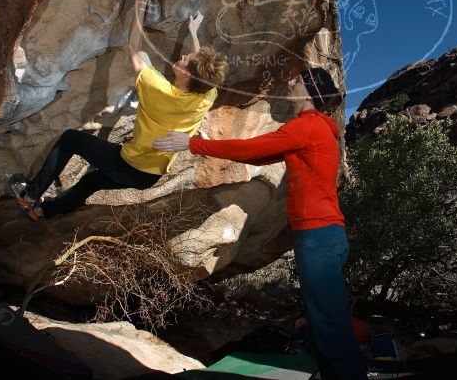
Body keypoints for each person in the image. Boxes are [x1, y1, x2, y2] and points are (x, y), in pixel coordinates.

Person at [154, 67, 367, 379]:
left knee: (329, 326)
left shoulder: (307, 126)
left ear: (308, 92)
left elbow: (253, 148)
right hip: (325, 235)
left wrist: (192, 144)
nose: (290, 81)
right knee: (323, 320)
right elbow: (260, 157)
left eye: (297, 80)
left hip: (318, 237)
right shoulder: (314, 129)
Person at [7, 0, 229, 220]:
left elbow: (135, 45)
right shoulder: (206, 96)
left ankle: (29, 195)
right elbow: (202, 74)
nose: (183, 56)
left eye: (186, 60)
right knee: (91, 183)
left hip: (128, 164)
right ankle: (43, 212)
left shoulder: (158, 88)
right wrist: (193, 33)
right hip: (149, 176)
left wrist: (141, 0)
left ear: (188, 75)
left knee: (70, 139)